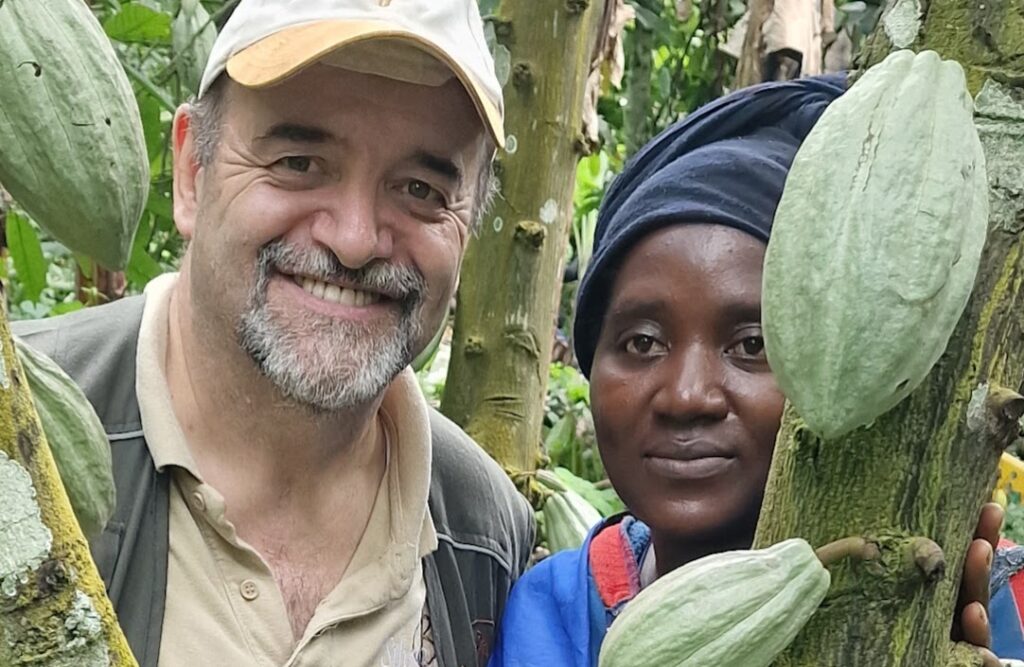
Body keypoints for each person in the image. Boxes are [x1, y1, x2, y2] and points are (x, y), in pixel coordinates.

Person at [13, 1, 533, 665]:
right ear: (192, 175)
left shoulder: (484, 531)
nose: (353, 240)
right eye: (298, 161)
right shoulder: (22, 435)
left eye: (420, 188)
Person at [489, 73, 1005, 666]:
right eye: (641, 343)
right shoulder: (542, 614)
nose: (687, 396)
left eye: (754, 344)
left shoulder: (964, 604)